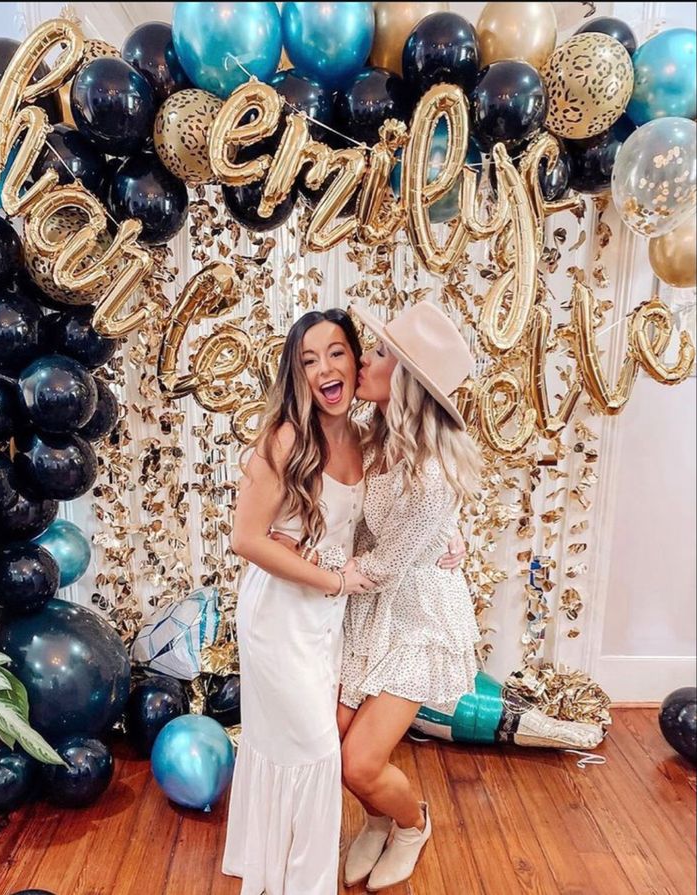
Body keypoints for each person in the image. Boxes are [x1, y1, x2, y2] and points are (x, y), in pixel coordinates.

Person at [221, 308, 466, 895]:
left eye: (360, 354)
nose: (345, 365)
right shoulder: (365, 435)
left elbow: (386, 548)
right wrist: (301, 542)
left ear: (398, 375)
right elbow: (335, 531)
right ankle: (347, 836)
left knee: (352, 760)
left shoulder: (391, 451)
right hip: (339, 611)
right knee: (322, 740)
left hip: (411, 620)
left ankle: (408, 825)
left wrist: (448, 532)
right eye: (309, 359)